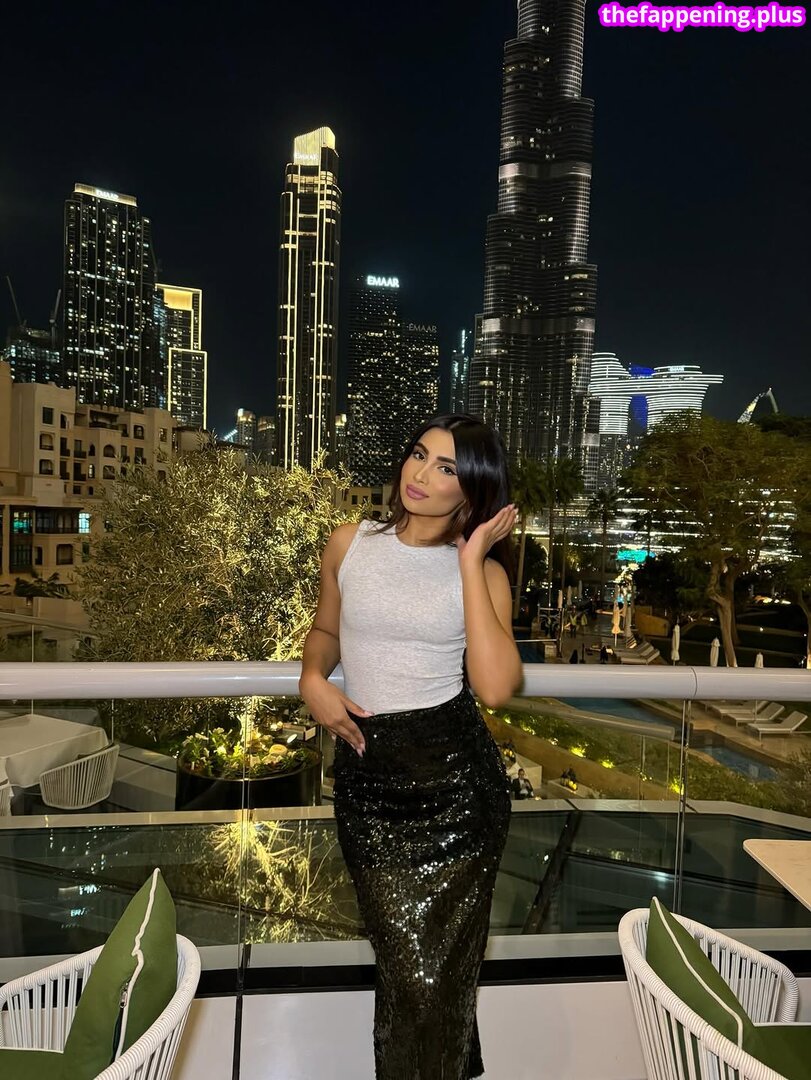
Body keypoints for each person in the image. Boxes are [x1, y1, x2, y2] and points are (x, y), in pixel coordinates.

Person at [299, 414, 523, 1079]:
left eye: (446, 468)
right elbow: (326, 630)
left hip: (456, 786)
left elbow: (494, 688)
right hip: (369, 779)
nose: (420, 475)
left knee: (432, 980)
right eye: (418, 455)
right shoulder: (350, 542)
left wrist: (469, 560)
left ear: (472, 490)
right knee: (412, 972)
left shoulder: (483, 574)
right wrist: (312, 679)